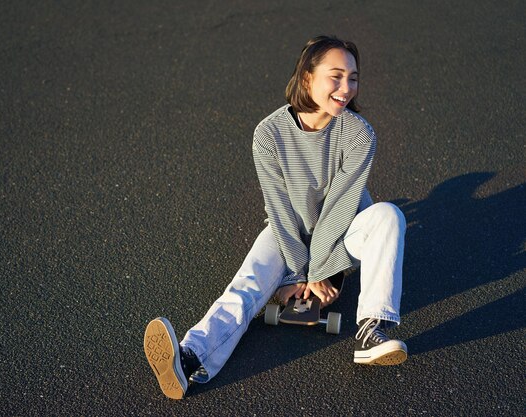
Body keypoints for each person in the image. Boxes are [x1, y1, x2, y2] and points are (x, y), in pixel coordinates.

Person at [143, 35, 408, 400]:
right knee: (248, 285)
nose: (346, 88)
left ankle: (372, 327)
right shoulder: (268, 134)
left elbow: (340, 208)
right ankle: (190, 358)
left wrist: (318, 275)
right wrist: (296, 274)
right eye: (336, 76)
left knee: (389, 216)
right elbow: (280, 209)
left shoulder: (359, 134)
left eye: (353, 77)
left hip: (344, 230)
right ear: (306, 79)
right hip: (289, 231)